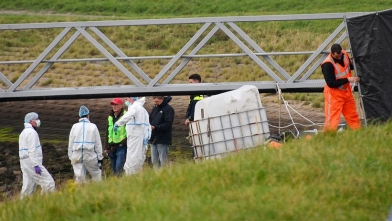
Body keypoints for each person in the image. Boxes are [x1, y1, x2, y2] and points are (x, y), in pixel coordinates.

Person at [321, 43, 361, 131]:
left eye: (340, 55)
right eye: (337, 56)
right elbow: (331, 83)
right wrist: (348, 80)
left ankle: (358, 134)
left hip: (346, 91)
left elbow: (350, 66)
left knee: (353, 116)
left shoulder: (344, 54)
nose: (339, 58)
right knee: (332, 120)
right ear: (332, 53)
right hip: (333, 94)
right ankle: (328, 140)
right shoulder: (327, 64)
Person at [19, 112, 55, 199]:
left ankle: (23, 206)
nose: (38, 121)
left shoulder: (23, 132)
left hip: (24, 162)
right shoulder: (32, 133)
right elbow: (32, 151)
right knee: (49, 183)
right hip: (32, 162)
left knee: (28, 187)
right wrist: (35, 165)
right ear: (31, 121)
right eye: (36, 119)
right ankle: (44, 203)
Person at [114, 97, 151, 175]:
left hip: (135, 136)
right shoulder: (143, 110)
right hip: (140, 137)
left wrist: (118, 123)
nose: (125, 101)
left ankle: (130, 177)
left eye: (126, 99)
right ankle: (136, 176)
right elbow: (148, 125)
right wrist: (147, 136)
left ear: (131, 99)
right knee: (139, 158)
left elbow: (128, 116)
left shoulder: (134, 107)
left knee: (132, 159)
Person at [68, 105, 104, 183]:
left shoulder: (74, 127)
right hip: (89, 154)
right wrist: (100, 158)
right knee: (96, 174)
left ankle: (79, 193)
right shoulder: (93, 126)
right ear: (88, 115)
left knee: (79, 178)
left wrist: (70, 157)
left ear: (80, 115)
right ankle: (97, 191)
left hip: (76, 154)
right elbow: (98, 144)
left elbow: (70, 143)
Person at [149, 96, 175, 168]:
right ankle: (156, 176)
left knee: (163, 160)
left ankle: (164, 175)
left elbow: (168, 124)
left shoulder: (169, 109)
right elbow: (150, 119)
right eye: (154, 101)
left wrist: (156, 127)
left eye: (157, 102)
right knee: (154, 160)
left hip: (163, 139)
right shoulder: (155, 108)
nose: (155, 103)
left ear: (162, 99)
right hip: (153, 138)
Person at [105, 98, 127, 176]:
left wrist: (124, 142)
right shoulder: (110, 117)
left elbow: (130, 131)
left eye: (116, 105)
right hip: (111, 147)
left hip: (121, 146)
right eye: (113, 105)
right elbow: (107, 132)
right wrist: (106, 147)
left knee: (118, 169)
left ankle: (120, 183)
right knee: (114, 169)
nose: (114, 106)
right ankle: (117, 184)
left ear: (121, 105)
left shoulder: (126, 115)